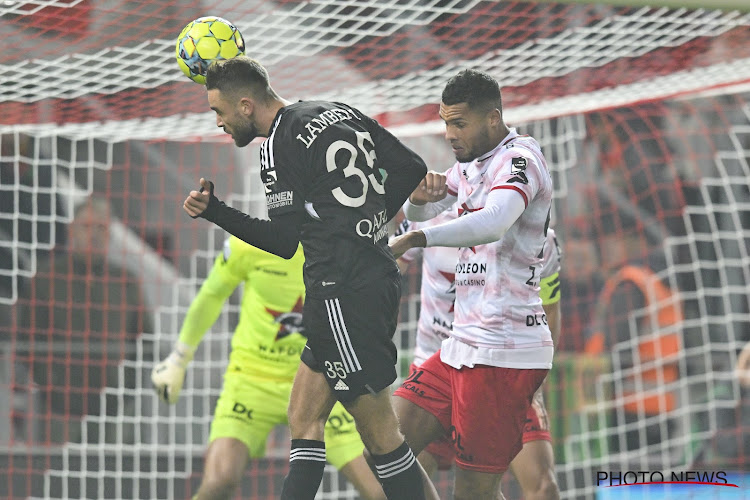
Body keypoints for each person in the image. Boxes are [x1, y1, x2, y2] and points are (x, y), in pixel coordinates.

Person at [182, 57, 436, 500]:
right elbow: (411, 166)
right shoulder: (335, 110)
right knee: (304, 416)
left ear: (245, 105)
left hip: (341, 292)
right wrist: (366, 224)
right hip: (358, 282)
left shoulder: (278, 144)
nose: (219, 123)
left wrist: (216, 212)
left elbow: (282, 241)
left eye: (218, 112)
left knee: (381, 436)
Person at [388, 69, 554, 500]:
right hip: (460, 348)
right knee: (387, 445)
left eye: (458, 123)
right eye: (445, 122)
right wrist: (417, 202)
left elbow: (495, 222)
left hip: (502, 351)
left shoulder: (521, 159)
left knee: (476, 493)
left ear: (493, 119)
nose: (448, 134)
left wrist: (421, 235)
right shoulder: (472, 165)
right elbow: (425, 210)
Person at [151, 236, 385, 500]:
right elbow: (212, 294)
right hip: (252, 381)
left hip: (321, 385)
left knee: (379, 491)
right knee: (220, 480)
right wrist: (178, 358)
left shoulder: (343, 245)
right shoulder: (248, 244)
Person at [395, 212, 562, 499]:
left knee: (542, 487)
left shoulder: (541, 239)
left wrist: (536, 380)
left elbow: (549, 309)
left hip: (501, 369)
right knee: (393, 464)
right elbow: (387, 266)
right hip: (435, 366)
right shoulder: (431, 220)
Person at [15, 196, 151, 444]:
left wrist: (127, 387)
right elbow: (28, 337)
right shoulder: (46, 279)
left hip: (113, 406)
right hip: (59, 407)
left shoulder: (125, 281)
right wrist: (50, 382)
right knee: (56, 475)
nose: (94, 235)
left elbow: (145, 340)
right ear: (72, 230)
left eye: (102, 228)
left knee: (111, 477)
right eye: (87, 227)